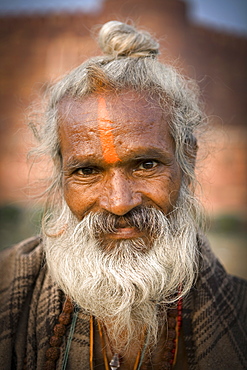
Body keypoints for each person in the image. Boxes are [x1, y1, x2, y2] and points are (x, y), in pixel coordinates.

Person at [0, 20, 246, 370]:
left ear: (187, 157)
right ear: (60, 173)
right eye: (86, 171)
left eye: (146, 164)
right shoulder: (7, 288)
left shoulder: (238, 311)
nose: (119, 202)